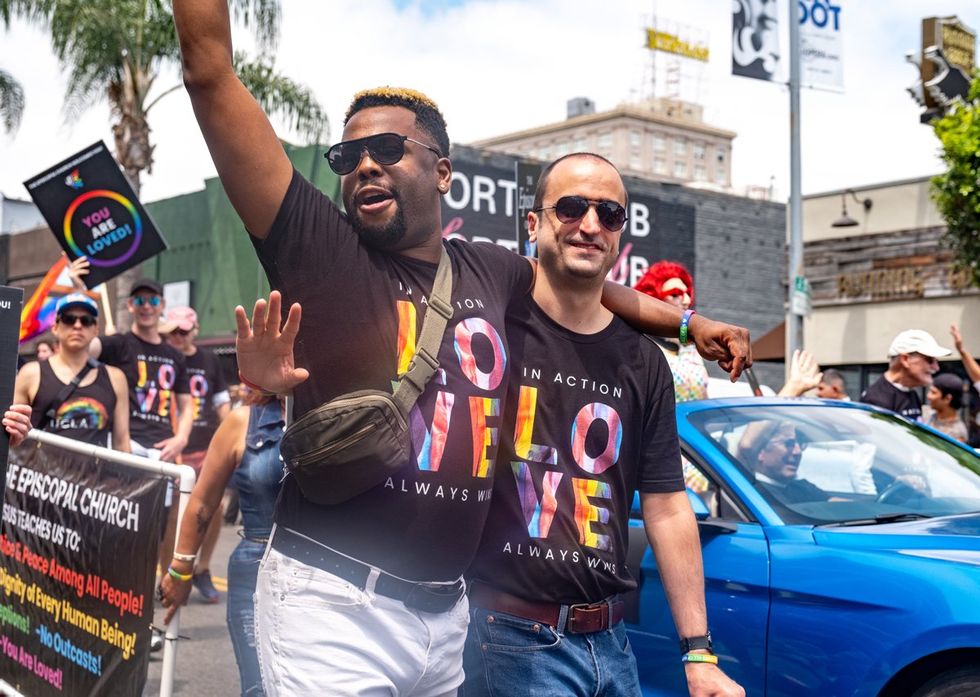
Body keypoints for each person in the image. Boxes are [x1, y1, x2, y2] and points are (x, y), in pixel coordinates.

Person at [174, 2, 751, 691]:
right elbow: (210, 74)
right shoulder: (318, 250)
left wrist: (686, 325)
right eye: (347, 155)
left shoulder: (490, 270)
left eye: (387, 150)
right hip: (331, 603)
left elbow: (583, 280)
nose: (364, 166)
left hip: (448, 620)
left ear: (443, 172)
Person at [462, 153, 742, 697]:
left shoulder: (644, 362)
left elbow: (665, 504)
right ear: (533, 223)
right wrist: (688, 321)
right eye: (571, 207)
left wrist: (699, 653)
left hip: (613, 646)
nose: (591, 225)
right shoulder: (489, 323)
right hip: (508, 637)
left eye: (609, 214)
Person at [159, 394, 284, 697]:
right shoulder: (244, 420)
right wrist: (181, 570)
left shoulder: (342, 410)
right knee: (262, 688)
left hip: (329, 575)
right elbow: (203, 501)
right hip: (256, 568)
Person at [163, 305, 231, 604]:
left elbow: (221, 401)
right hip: (171, 445)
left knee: (213, 509)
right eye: (173, 331)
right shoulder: (163, 357)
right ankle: (172, 572)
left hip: (206, 445)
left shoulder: (208, 360)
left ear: (195, 330)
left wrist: (230, 433)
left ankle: (203, 568)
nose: (178, 336)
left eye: (184, 331)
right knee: (174, 514)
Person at [3, 293, 130, 451]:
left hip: (97, 475)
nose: (77, 325)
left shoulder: (116, 378)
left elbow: (122, 442)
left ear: (96, 330)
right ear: (55, 327)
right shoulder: (31, 373)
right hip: (41, 472)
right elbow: (9, 431)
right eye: (69, 319)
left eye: (86, 320)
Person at [634, 260, 708, 403]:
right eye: (675, 294)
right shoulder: (642, 346)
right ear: (655, 300)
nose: (686, 300)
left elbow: (704, 398)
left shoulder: (691, 350)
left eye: (687, 293)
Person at [860, 329, 951, 421]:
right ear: (905, 359)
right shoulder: (876, 400)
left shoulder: (910, 393)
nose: (936, 367)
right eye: (930, 360)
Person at [738, 421, 826, 504]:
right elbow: (746, 446)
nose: (798, 452)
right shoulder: (748, 491)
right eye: (788, 444)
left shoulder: (803, 488)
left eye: (800, 444)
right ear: (761, 452)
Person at [923, 373, 969, 443]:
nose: (928, 396)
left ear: (947, 398)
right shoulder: (924, 412)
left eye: (933, 392)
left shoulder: (958, 432)